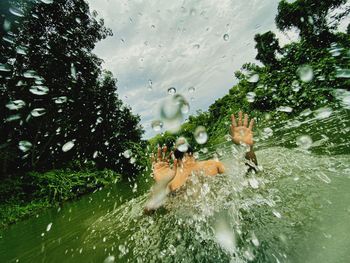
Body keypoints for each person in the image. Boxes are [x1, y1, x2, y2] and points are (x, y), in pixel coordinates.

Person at [145, 112, 257, 212]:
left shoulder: (170, 178)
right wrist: (248, 149)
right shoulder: (213, 164)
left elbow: (148, 211)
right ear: (192, 153)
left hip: (185, 217)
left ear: (175, 159)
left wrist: (160, 184)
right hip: (221, 208)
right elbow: (249, 176)